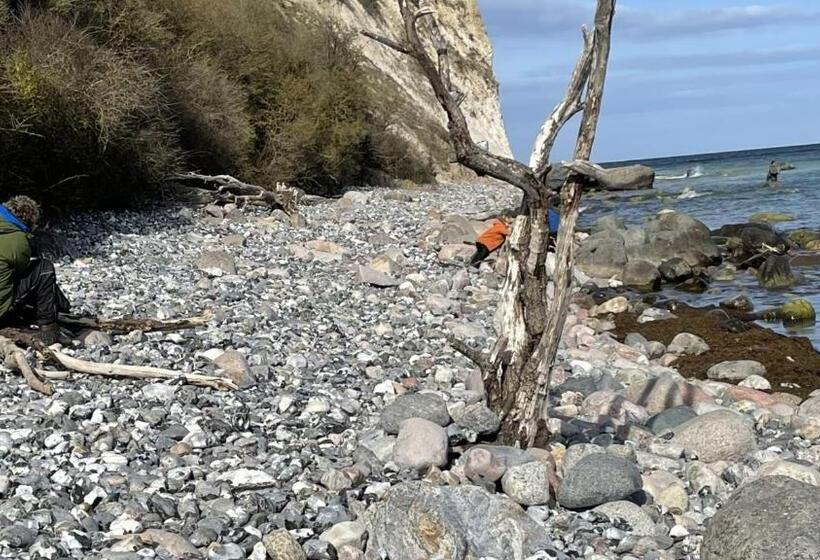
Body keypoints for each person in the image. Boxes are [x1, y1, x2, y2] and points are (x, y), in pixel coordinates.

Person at [0, 195, 70, 344]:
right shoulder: (17, 240)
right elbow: (22, 272)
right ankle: (48, 330)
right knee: (44, 268)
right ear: (29, 219)